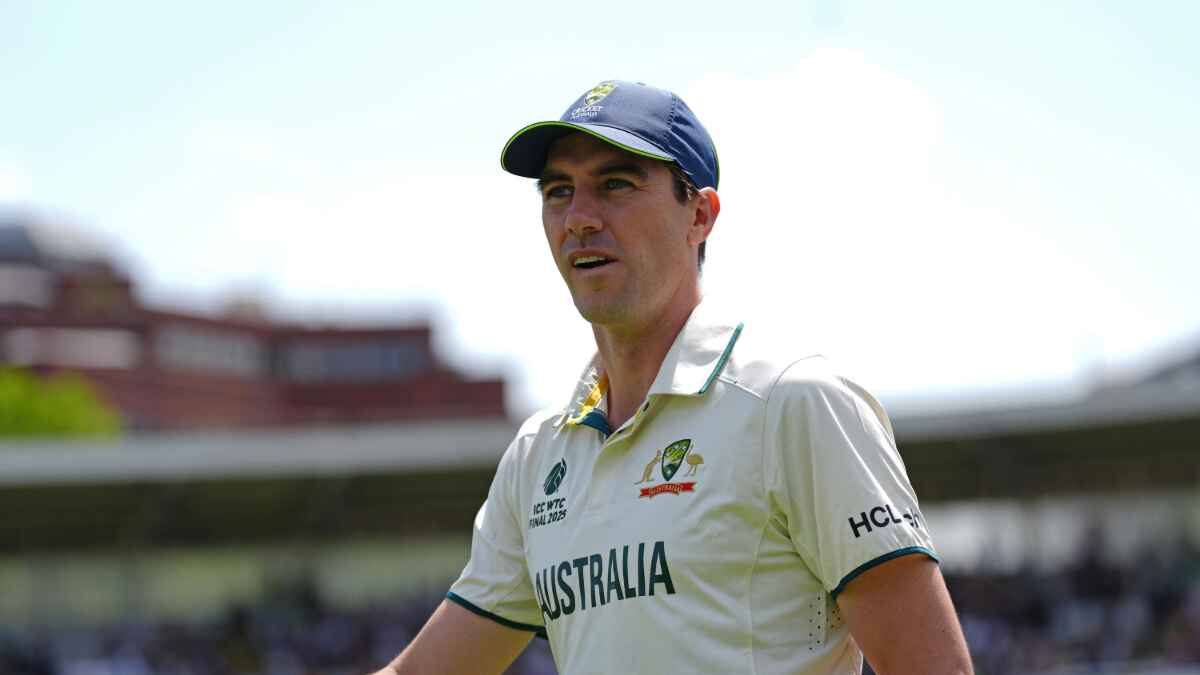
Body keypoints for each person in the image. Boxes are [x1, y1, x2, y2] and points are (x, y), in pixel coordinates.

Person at [374, 80, 973, 674]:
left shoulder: (792, 402)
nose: (579, 218)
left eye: (615, 184)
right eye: (558, 191)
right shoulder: (540, 455)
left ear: (701, 216)